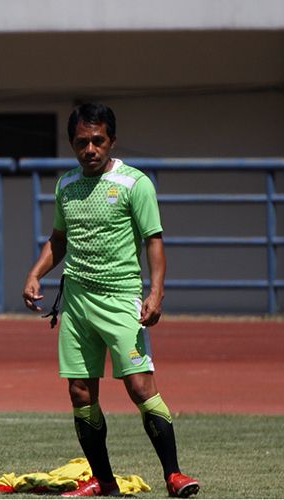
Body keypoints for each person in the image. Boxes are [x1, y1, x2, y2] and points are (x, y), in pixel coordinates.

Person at [22, 102, 199, 498]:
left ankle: (174, 474)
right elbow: (59, 240)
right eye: (82, 142)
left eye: (98, 141)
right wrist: (35, 273)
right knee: (80, 393)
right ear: (72, 143)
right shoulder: (66, 185)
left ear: (112, 141)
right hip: (77, 303)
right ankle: (105, 484)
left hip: (121, 301)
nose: (90, 149)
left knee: (140, 386)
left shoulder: (136, 184)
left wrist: (155, 292)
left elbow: (154, 240)